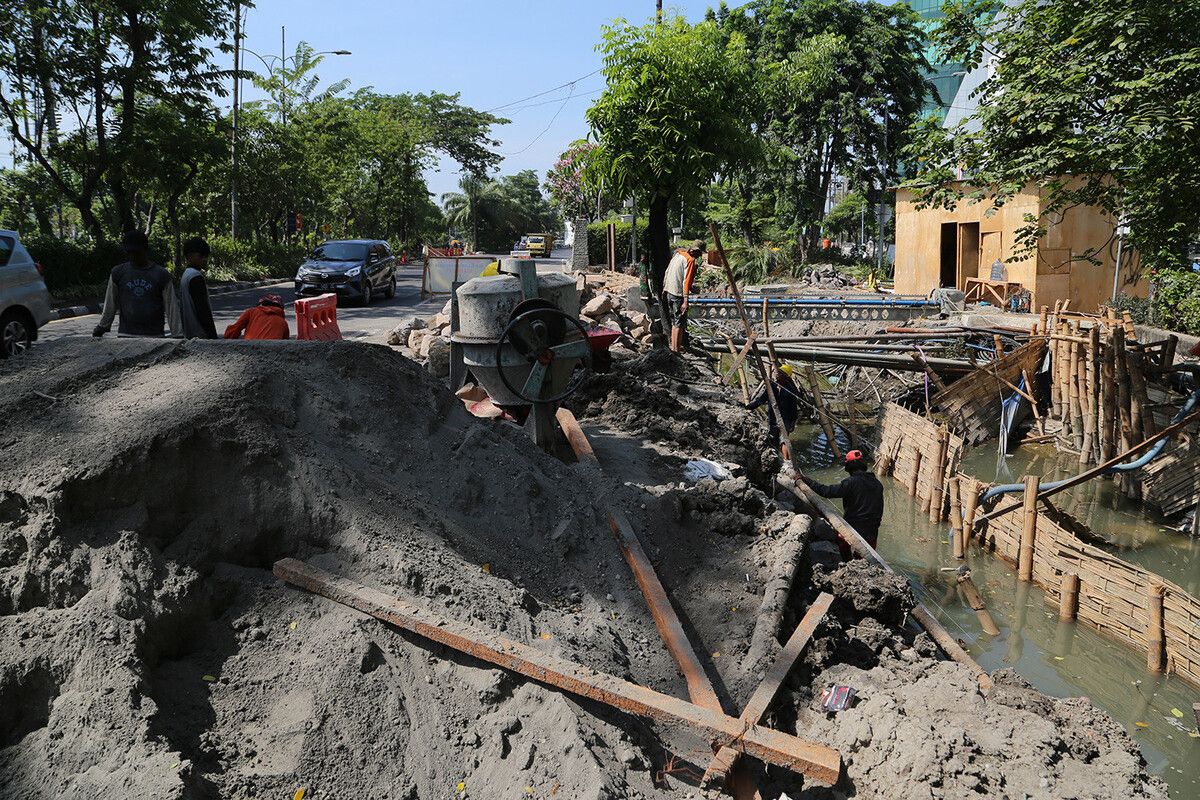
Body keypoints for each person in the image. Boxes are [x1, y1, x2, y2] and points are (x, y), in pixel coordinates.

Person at [93, 230, 182, 338]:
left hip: (154, 336)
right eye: (130, 252)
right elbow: (110, 303)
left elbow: (171, 306)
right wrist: (103, 326)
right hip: (126, 335)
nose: (133, 256)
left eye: (137, 252)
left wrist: (178, 334)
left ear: (145, 250)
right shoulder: (118, 273)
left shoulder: (161, 275)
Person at [800, 450, 885, 555]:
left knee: (842, 547)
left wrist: (806, 480)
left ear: (849, 467)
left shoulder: (850, 483)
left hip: (854, 527)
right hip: (873, 529)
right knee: (867, 556)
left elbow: (826, 492)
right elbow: (880, 508)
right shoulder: (877, 484)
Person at [746, 363, 802, 459]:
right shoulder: (772, 386)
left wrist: (793, 421)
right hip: (773, 419)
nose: (777, 374)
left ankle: (786, 461)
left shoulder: (790, 390)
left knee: (784, 440)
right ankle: (776, 459)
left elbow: (793, 407)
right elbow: (762, 399)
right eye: (778, 372)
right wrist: (749, 407)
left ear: (785, 376)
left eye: (780, 373)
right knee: (773, 440)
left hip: (786, 420)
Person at [663, 239, 704, 352]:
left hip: (669, 292)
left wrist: (664, 288)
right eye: (699, 254)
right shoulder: (690, 261)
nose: (699, 257)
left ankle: (673, 348)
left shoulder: (677, 255)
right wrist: (686, 301)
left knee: (674, 323)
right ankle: (676, 351)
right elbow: (685, 282)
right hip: (678, 295)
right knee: (679, 324)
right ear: (696, 251)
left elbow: (668, 272)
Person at [179, 237, 217, 339]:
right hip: (200, 335)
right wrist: (213, 337)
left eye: (206, 256)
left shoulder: (186, 274)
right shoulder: (195, 277)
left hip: (190, 334)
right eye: (201, 256)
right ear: (189, 256)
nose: (205, 259)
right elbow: (203, 311)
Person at [223, 294, 291, 340]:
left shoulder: (251, 312)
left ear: (261, 304)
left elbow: (231, 333)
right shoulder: (283, 323)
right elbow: (285, 343)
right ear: (281, 308)